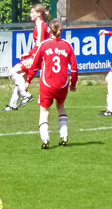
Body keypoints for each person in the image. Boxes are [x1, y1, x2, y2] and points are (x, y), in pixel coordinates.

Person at [26, 19, 78, 148]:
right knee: (60, 107)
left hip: (47, 84)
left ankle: (45, 139)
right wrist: (73, 83)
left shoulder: (44, 45)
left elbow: (34, 66)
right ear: (61, 31)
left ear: (49, 30)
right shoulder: (67, 45)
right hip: (62, 83)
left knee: (44, 111)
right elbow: (75, 68)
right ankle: (64, 135)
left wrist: (28, 80)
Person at [3, 4, 50, 111]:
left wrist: (32, 57)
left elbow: (40, 45)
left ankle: (26, 95)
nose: (30, 14)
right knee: (21, 80)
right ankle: (13, 105)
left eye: (32, 12)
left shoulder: (41, 25)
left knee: (13, 71)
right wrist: (28, 53)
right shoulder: (41, 25)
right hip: (37, 56)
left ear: (38, 14)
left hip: (36, 57)